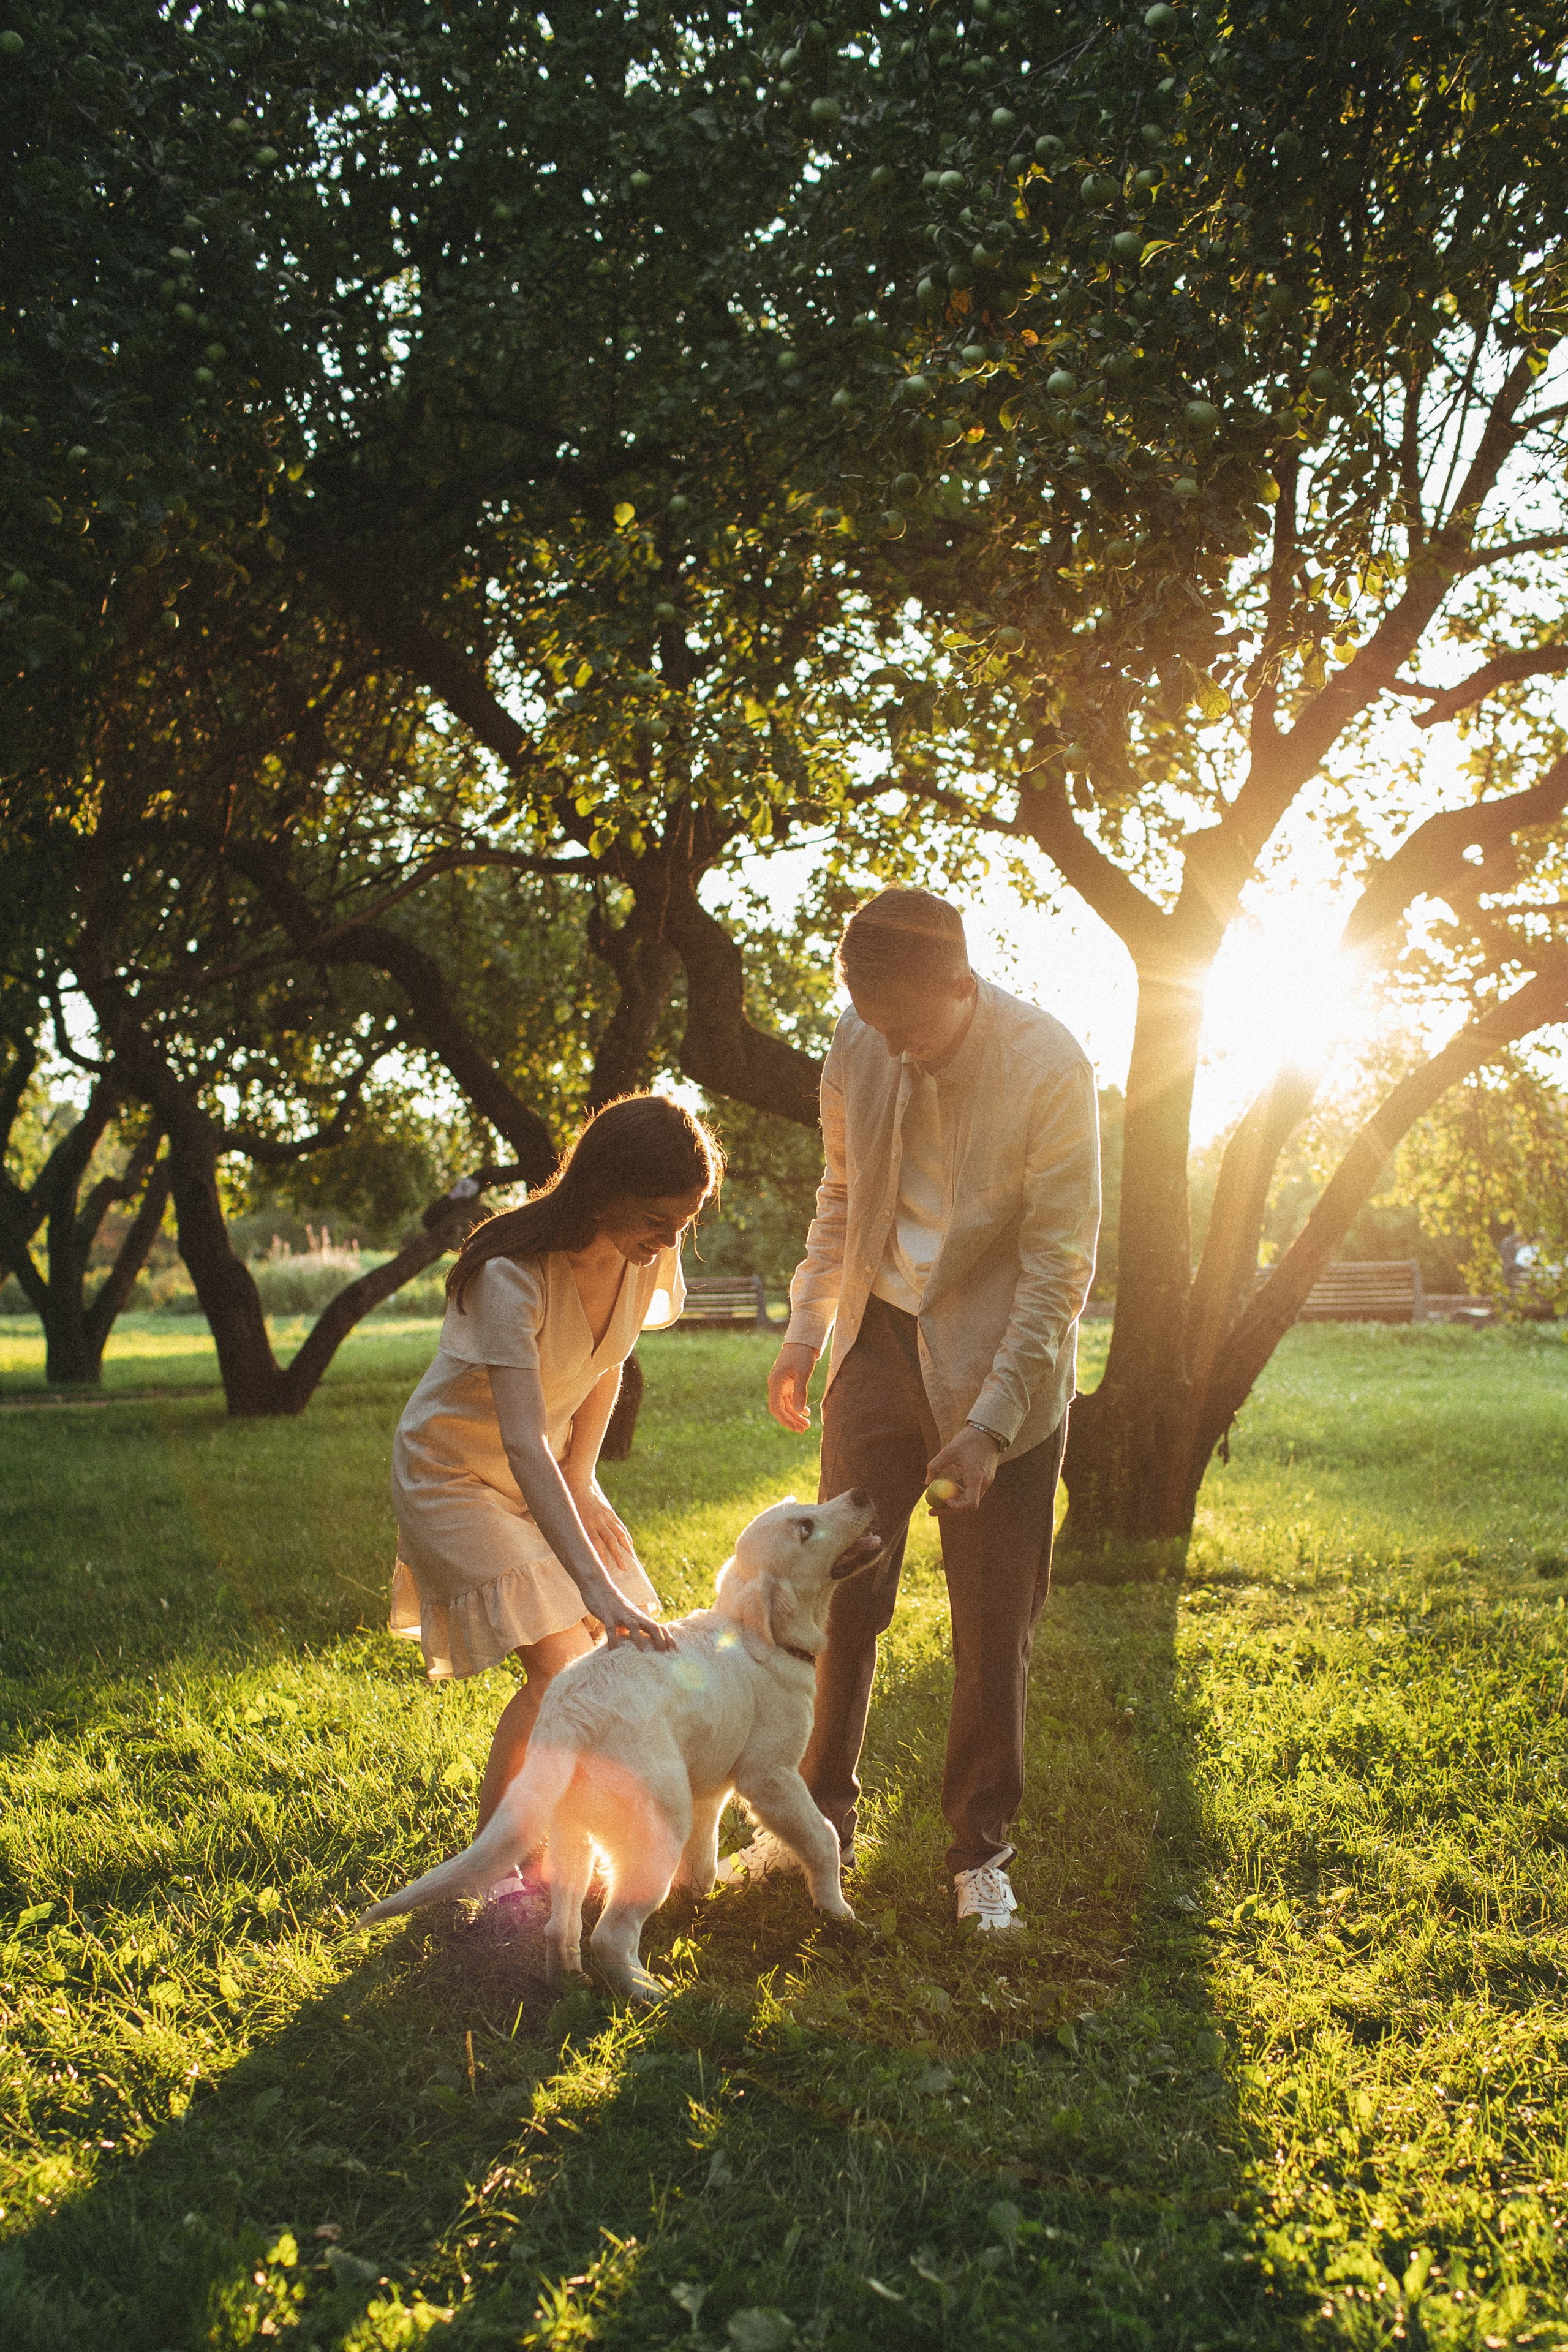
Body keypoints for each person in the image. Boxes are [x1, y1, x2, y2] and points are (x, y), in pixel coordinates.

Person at [725, 888, 1099, 1936]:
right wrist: (807, 1331)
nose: (902, 1050)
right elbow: (841, 1197)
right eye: (880, 1031)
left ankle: (980, 1856)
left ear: (962, 984)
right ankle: (813, 1823)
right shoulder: (861, 1041)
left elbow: (1057, 1268)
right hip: (880, 1336)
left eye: (916, 1030)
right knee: (841, 1592)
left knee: (992, 1622)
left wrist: (988, 1422)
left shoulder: (1050, 1066)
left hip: (1005, 1356)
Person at [388, 1093, 723, 1832]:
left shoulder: (643, 1266)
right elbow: (519, 1439)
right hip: (454, 1476)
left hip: (543, 1471)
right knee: (564, 1675)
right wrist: (593, 1586)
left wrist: (584, 1479)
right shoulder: (511, 1273)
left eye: (684, 1224)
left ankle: (576, 1848)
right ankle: (502, 1866)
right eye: (656, 1221)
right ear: (604, 1189)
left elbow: (609, 1362)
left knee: (612, 1667)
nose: (669, 1243)